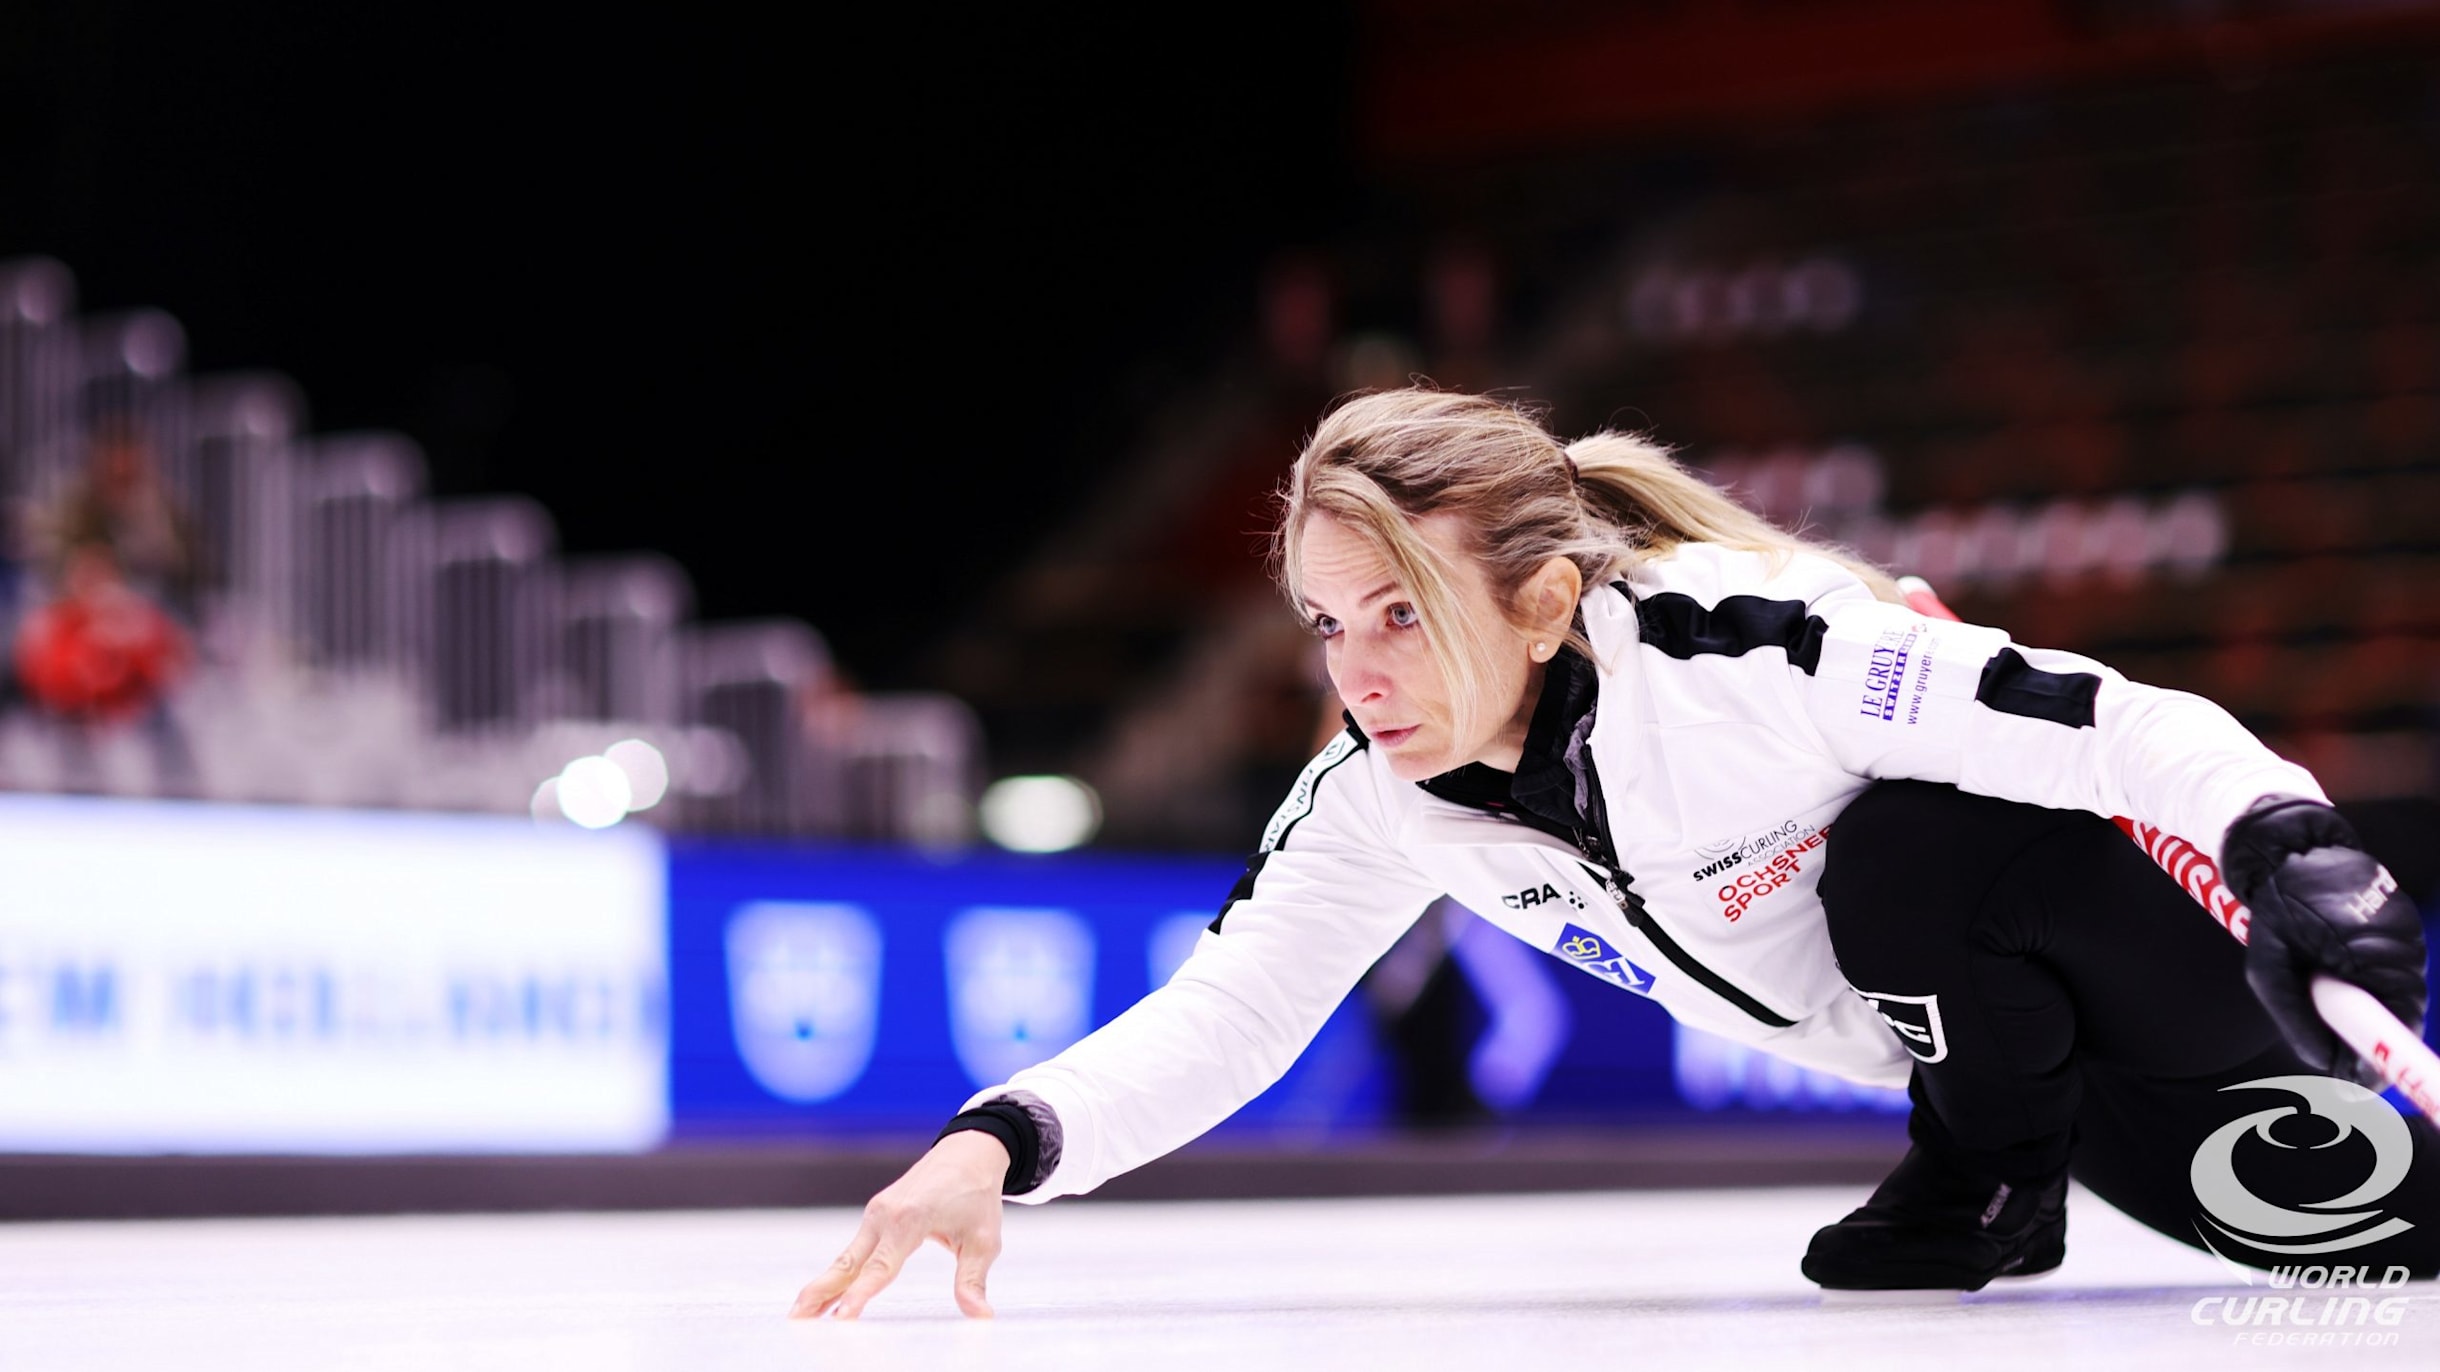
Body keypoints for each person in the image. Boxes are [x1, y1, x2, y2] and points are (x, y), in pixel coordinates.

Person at [792, 389, 2433, 1319]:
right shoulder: (1384, 794)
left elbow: (2108, 723)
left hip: (2154, 948)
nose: (1358, 676)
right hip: (2038, 1073)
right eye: (1324, 626)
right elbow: (1232, 1015)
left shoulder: (1751, 654)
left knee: (1915, 859)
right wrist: (997, 1146)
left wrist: (2297, 852)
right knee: (2354, 1233)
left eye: (1402, 619)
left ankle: (1987, 1171)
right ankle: (2002, 1157)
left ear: (1539, 598)